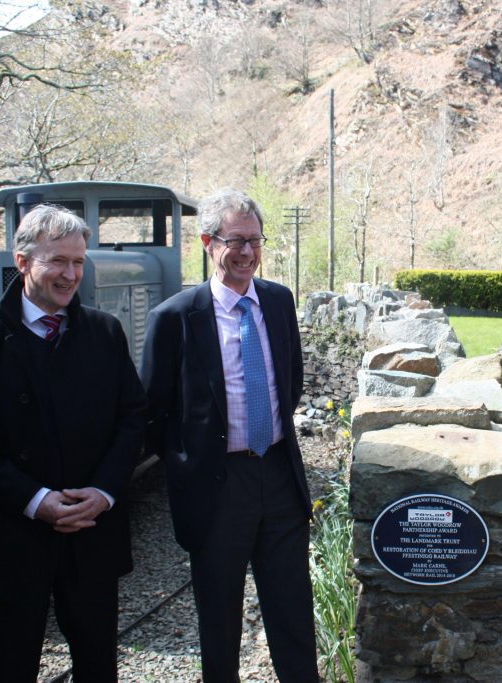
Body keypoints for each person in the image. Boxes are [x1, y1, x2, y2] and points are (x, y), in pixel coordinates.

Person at [0, 205, 146, 682]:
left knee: (98, 668)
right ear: (22, 262)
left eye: (78, 262)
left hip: (91, 536)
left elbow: (133, 418)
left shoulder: (104, 332)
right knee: (10, 669)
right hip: (11, 541)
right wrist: (36, 502)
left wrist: (104, 493)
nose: (70, 274)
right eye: (58, 261)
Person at [140, 188, 319, 682]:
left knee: (292, 610)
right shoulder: (175, 318)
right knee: (219, 617)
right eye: (234, 241)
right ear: (206, 242)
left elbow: (291, 381)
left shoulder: (279, 302)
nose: (246, 252)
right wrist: (188, 465)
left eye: (254, 240)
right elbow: (152, 412)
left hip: (279, 474)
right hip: (217, 487)